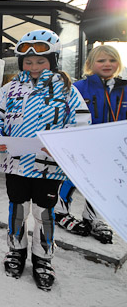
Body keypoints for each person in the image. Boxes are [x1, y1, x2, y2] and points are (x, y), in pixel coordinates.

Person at [0, 29, 91, 291]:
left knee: (44, 213)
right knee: (18, 209)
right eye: (28, 62)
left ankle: (43, 258)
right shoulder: (9, 89)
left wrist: (65, 145)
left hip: (48, 168)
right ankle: (16, 251)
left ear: (52, 60)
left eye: (41, 61)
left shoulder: (66, 90)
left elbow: (82, 123)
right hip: (15, 163)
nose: (34, 66)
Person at [55, 45, 126, 244]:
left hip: (112, 145)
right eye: (101, 60)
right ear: (90, 64)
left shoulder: (124, 88)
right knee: (73, 177)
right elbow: (65, 113)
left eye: (112, 60)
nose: (107, 64)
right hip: (83, 144)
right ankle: (59, 211)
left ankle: (94, 217)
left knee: (104, 181)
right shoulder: (79, 87)